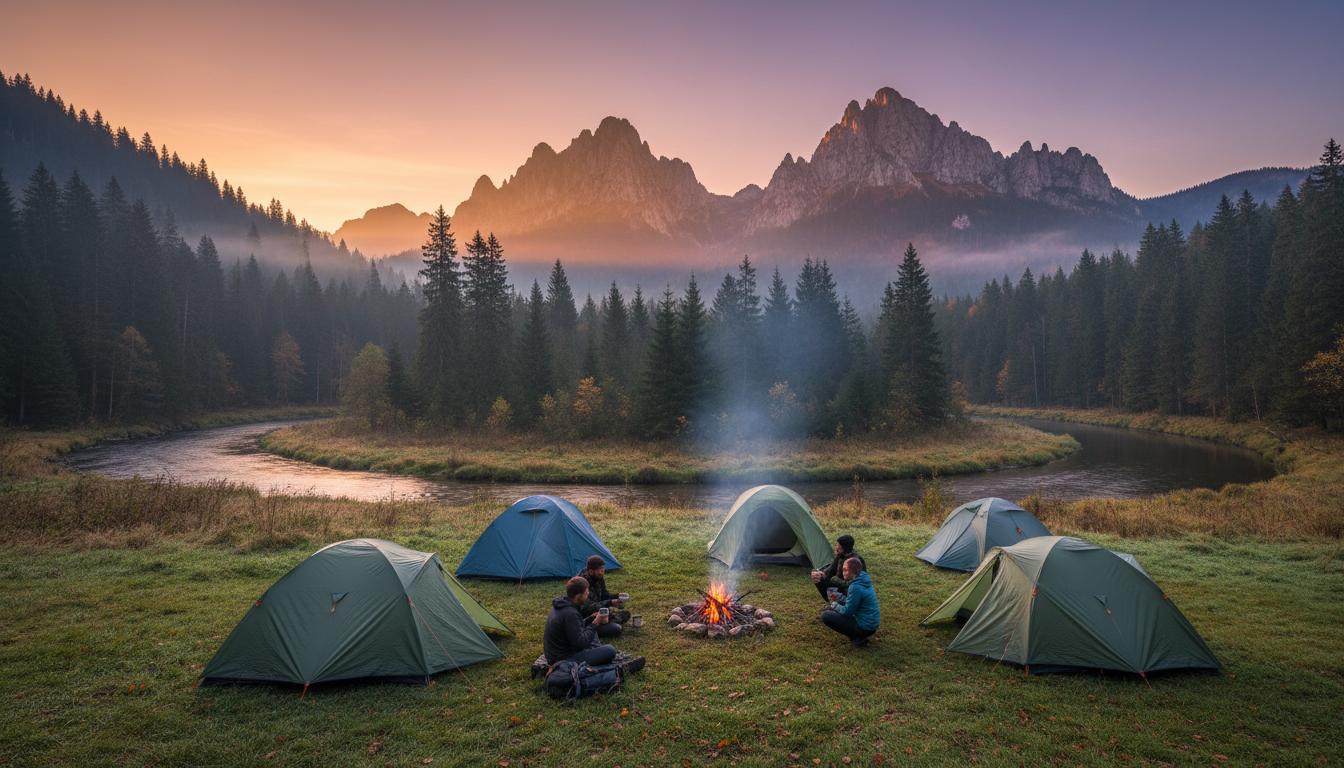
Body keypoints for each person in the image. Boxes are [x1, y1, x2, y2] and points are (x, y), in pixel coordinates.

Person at [544, 576, 617, 666]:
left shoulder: (561, 605)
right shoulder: (570, 613)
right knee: (610, 650)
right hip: (563, 659)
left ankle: (593, 651)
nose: (588, 595)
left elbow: (573, 628)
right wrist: (595, 623)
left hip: (557, 653)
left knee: (591, 632)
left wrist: (590, 618)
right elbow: (580, 644)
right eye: (586, 593)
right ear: (578, 596)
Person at [820, 557, 880, 648]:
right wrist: (839, 600)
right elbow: (855, 601)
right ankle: (859, 636)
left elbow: (847, 612)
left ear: (853, 571)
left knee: (826, 615)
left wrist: (834, 605)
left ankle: (858, 637)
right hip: (872, 624)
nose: (843, 572)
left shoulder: (855, 587)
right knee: (835, 606)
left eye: (845, 570)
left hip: (865, 627)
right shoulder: (863, 579)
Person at [578, 555, 629, 637]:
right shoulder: (582, 584)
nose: (602, 573)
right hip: (586, 617)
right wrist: (610, 602)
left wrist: (617, 596)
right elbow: (588, 607)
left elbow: (604, 595)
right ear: (591, 571)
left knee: (626, 614)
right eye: (600, 571)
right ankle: (611, 621)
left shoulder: (598, 577)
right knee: (616, 629)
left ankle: (611, 619)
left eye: (603, 569)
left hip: (598, 611)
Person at [811, 535, 865, 601]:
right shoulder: (840, 556)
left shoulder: (855, 561)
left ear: (843, 547)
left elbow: (855, 582)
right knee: (818, 578)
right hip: (839, 583)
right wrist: (821, 573)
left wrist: (836, 580)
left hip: (849, 588)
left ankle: (845, 602)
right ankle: (831, 601)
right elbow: (831, 569)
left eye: (838, 546)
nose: (836, 547)